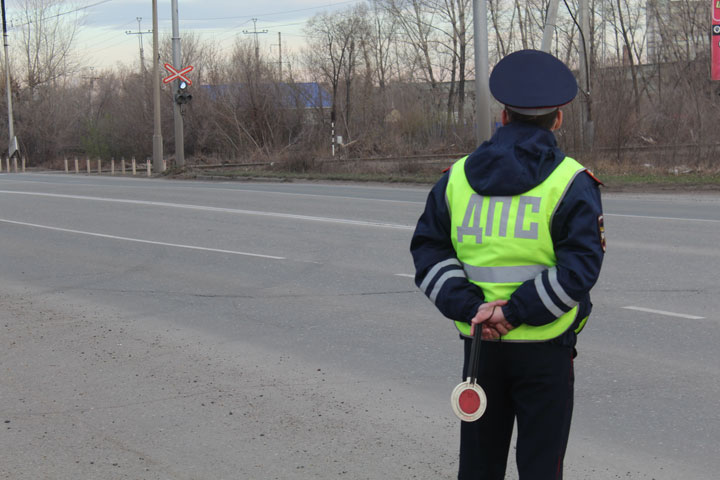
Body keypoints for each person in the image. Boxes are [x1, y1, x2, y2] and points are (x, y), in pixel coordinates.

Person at [410, 49, 605, 479]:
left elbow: (428, 253)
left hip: (480, 347)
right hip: (546, 348)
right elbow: (580, 268)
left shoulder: (455, 178)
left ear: (503, 117)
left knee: (478, 468)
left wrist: (472, 308)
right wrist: (514, 313)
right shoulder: (571, 181)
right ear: (557, 119)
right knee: (541, 467)